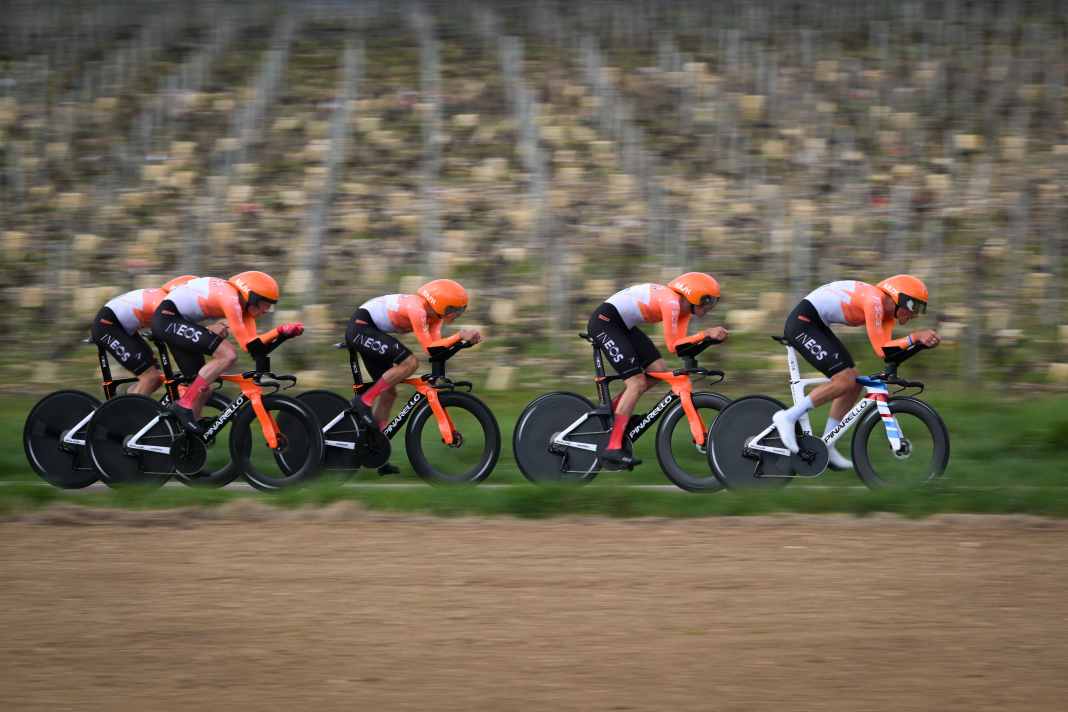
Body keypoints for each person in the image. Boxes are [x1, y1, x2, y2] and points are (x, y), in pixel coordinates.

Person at [772, 275, 940, 469]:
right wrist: (915, 337)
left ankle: (828, 445)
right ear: (899, 298)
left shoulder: (887, 313)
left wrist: (918, 344)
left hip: (816, 323)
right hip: (802, 323)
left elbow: (886, 351)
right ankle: (788, 417)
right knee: (844, 381)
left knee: (854, 383)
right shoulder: (874, 301)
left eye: (920, 309)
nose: (915, 314)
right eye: (914, 306)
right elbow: (882, 348)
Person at [585, 272, 728, 468]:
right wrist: (706, 333)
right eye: (708, 301)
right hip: (605, 322)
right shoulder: (671, 301)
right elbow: (672, 345)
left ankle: (615, 413)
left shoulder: (684, 310)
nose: (710, 307)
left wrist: (708, 340)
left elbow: (681, 347)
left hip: (623, 325)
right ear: (695, 296)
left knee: (658, 370)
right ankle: (613, 447)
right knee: (636, 383)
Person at [345, 279, 481, 474]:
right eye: (454, 310)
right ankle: (364, 399)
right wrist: (460, 336)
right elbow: (428, 348)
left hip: (369, 330)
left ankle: (377, 452)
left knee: (389, 393)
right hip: (361, 327)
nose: (456, 315)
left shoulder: (434, 317)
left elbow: (436, 349)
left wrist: (462, 343)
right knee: (410, 363)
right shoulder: (417, 308)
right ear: (440, 303)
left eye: (459, 311)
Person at [151, 271, 304, 435]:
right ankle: (183, 405)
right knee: (227, 354)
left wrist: (283, 336)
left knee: (203, 388)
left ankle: (188, 439)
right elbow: (248, 345)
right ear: (250, 296)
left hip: (177, 321)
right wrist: (279, 330)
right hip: (167, 319)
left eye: (270, 305)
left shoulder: (244, 308)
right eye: (265, 303)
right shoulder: (230, 298)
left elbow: (254, 348)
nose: (267, 310)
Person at [90, 275, 197, 395]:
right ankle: (130, 413)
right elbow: (174, 336)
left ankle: (128, 402)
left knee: (155, 379)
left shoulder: (164, 298)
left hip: (122, 329)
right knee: (150, 378)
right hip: (107, 327)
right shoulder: (161, 301)